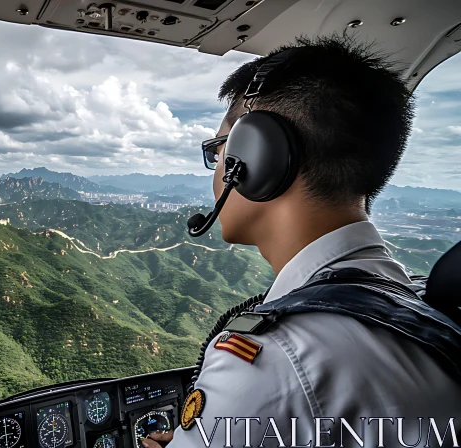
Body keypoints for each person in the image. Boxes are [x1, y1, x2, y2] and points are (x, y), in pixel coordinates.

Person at [143, 35, 461, 448]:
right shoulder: (418, 302)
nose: (216, 170)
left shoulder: (272, 361)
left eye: (218, 150)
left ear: (254, 160)